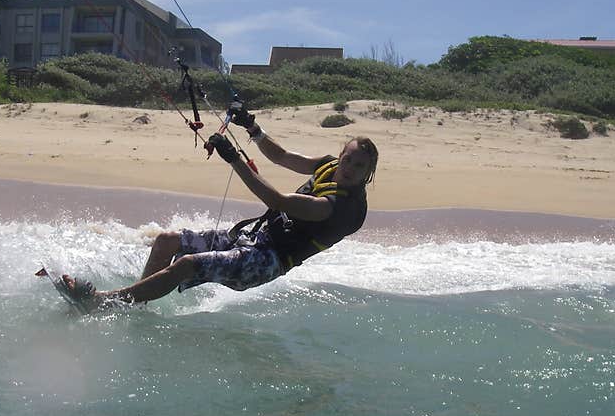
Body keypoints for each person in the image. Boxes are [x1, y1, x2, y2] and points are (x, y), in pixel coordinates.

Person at [58, 104, 378, 309]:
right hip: (254, 237)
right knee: (166, 241)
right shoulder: (329, 165)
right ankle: (135, 305)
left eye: (358, 166)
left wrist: (234, 159)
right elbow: (281, 157)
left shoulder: (341, 210)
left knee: (186, 263)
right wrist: (252, 128)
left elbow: (277, 201)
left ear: (367, 174)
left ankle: (103, 303)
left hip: (265, 261)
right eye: (347, 158)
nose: (348, 167)